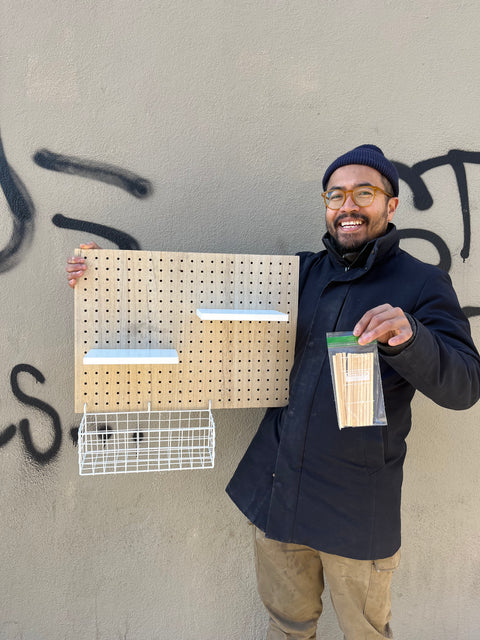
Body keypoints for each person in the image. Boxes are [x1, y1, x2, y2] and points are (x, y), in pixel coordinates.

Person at [65, 144, 480, 640]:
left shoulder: (422, 283)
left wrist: (413, 337)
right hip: (280, 496)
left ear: (391, 205)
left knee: (367, 634)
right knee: (286, 628)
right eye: (336, 195)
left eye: (363, 193)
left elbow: (465, 386)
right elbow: (187, 295)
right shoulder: (298, 275)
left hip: (358, 509)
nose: (348, 206)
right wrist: (107, 276)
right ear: (326, 205)